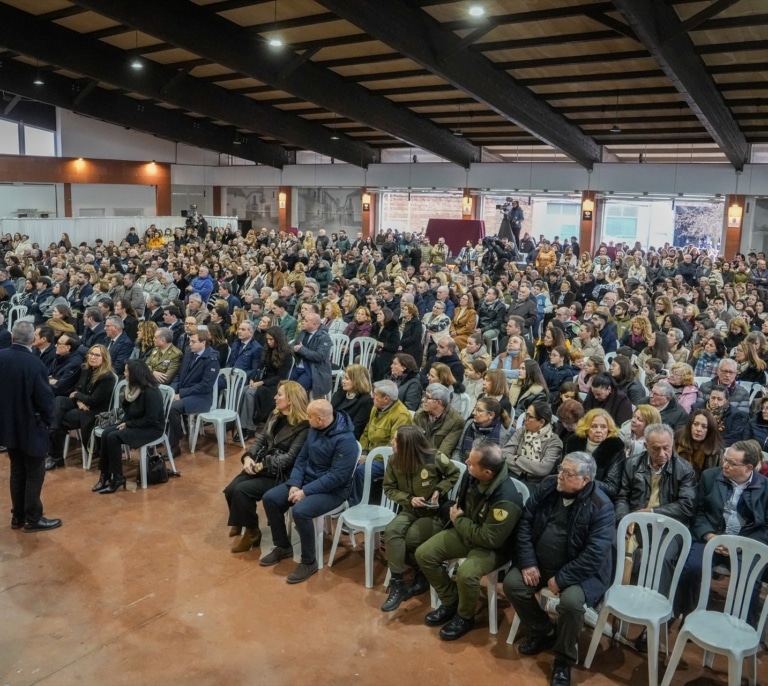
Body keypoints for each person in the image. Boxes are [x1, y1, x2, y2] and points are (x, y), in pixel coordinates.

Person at [504, 452, 614, 686]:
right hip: (540, 562)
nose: (559, 476)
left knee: (572, 604)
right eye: (560, 469)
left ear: (585, 480)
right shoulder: (547, 487)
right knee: (513, 584)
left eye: (567, 473)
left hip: (581, 573)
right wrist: (528, 562)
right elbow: (525, 523)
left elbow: (595, 554)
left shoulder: (601, 506)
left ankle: (563, 659)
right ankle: (543, 631)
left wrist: (563, 579)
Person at [414, 442, 524, 640]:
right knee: (424, 554)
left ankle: (464, 617)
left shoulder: (506, 500)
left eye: (472, 464)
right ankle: (450, 601)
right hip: (466, 532)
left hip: (493, 548)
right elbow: (460, 504)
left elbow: (490, 539)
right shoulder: (471, 476)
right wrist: (460, 520)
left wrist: (459, 520)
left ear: (488, 472)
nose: (466, 464)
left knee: (466, 573)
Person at [260, 399, 358, 584]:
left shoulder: (346, 441)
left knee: (301, 511)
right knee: (270, 498)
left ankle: (309, 561)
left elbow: (337, 477)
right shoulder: (314, 429)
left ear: (320, 419)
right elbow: (302, 459)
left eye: (309, 416)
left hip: (333, 491)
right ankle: (282, 546)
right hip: (306, 482)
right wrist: (295, 484)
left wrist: (305, 492)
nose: (306, 418)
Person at [674, 440, 768, 624]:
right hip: (711, 537)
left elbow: (766, 527)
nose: (724, 465)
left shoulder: (765, 488)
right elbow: (698, 513)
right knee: (691, 567)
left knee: (749, 579)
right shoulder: (710, 477)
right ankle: (684, 616)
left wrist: (741, 545)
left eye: (732, 463)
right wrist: (710, 536)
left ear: (749, 467)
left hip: (746, 544)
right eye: (726, 459)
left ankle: (743, 628)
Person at [380, 425, 461, 612]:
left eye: (396, 440)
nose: (392, 443)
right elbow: (389, 488)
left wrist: (439, 490)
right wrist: (408, 499)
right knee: (392, 532)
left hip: (434, 514)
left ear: (407, 445)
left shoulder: (434, 457)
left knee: (410, 539)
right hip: (410, 509)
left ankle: (422, 573)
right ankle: (398, 583)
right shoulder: (394, 461)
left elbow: (454, 474)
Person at [224, 381, 310, 553]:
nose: (275, 397)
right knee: (230, 490)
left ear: (291, 400)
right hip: (263, 465)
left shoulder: (303, 426)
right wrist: (248, 457)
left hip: (282, 473)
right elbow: (261, 439)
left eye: (279, 395)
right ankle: (242, 520)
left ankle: (252, 532)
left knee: (242, 491)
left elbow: (290, 458)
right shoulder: (275, 414)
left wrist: (261, 466)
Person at [0, 321, 60, 531]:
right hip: (31, 426)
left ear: (13, 337)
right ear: (32, 340)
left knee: (17, 471)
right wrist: (48, 421)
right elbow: (45, 400)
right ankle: (33, 519)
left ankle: (18, 516)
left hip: (7, 426)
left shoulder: (1, 357)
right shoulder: (35, 364)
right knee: (35, 473)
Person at [92, 359, 165, 494]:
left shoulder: (151, 392)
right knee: (106, 433)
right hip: (136, 423)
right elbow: (128, 412)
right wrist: (124, 422)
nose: (124, 373)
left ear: (135, 374)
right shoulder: (132, 388)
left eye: (126, 371)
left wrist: (128, 424)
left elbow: (151, 418)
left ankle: (118, 477)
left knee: (114, 437)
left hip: (152, 428)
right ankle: (105, 475)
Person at [46, 344, 117, 471]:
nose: (93, 357)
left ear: (104, 358)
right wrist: (79, 401)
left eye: (97, 355)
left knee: (61, 419)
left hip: (95, 411)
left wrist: (78, 396)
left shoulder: (108, 377)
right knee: (59, 400)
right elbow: (77, 388)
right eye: (91, 354)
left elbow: (94, 400)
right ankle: (54, 443)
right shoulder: (85, 369)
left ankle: (56, 456)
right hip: (82, 404)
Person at [352, 380, 413, 506]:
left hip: (387, 459)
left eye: (375, 394)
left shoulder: (401, 415)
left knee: (361, 470)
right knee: (346, 461)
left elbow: (394, 445)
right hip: (369, 453)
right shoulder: (376, 407)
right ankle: (346, 498)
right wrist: (363, 451)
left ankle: (356, 505)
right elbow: (366, 432)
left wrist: (370, 457)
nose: (372, 396)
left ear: (386, 399)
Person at [168, 329, 221, 456]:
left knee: (172, 408)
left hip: (201, 398)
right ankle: (171, 433)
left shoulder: (211, 359)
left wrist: (181, 394)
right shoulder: (189, 353)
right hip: (185, 393)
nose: (190, 344)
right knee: (162, 401)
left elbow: (205, 386)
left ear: (203, 343)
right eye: (189, 341)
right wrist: (172, 391)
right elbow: (179, 375)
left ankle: (174, 446)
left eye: (193, 341)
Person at [238, 326, 293, 439]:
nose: (269, 342)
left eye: (271, 339)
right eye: (267, 339)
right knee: (243, 390)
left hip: (275, 384)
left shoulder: (287, 354)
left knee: (250, 393)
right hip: (263, 379)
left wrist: (262, 383)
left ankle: (250, 428)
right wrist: (253, 378)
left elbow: (280, 377)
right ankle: (242, 425)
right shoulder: (267, 349)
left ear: (278, 339)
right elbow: (260, 366)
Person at [564, 408, 625, 500]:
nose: (599, 430)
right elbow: (564, 470)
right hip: (570, 489)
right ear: (586, 428)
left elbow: (611, 487)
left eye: (603, 427)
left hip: (597, 496)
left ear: (609, 430)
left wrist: (581, 482)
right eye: (594, 426)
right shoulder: (574, 442)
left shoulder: (615, 448)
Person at [502, 401, 563, 483]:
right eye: (525, 414)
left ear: (541, 422)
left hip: (536, 483)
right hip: (511, 474)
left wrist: (518, 458)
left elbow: (543, 469)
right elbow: (505, 454)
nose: (524, 419)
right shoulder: (521, 431)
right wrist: (525, 471)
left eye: (529, 416)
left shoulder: (554, 442)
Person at [452, 397, 513, 463]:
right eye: (475, 409)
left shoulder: (502, 435)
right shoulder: (469, 423)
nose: (473, 413)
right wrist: (457, 465)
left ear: (491, 415)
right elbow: (458, 450)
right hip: (461, 464)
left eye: (479, 410)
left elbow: (494, 464)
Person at [413, 383, 465, 458]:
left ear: (438, 403)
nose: (423, 400)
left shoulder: (456, 421)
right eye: (424, 395)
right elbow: (412, 442)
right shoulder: (419, 414)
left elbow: (443, 452)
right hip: (416, 458)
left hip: (436, 463)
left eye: (427, 397)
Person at [289, 313, 332, 399]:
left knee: (297, 390)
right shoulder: (302, 333)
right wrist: (294, 348)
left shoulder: (324, 338)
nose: (302, 322)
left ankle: (300, 410)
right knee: (285, 385)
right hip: (297, 367)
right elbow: (291, 346)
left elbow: (319, 356)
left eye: (306, 321)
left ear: (314, 324)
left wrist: (302, 350)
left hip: (313, 370)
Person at [675, 408, 724, 478]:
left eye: (704, 427)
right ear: (690, 425)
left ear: (710, 430)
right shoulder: (676, 441)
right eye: (695, 424)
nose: (698, 429)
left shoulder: (716, 452)